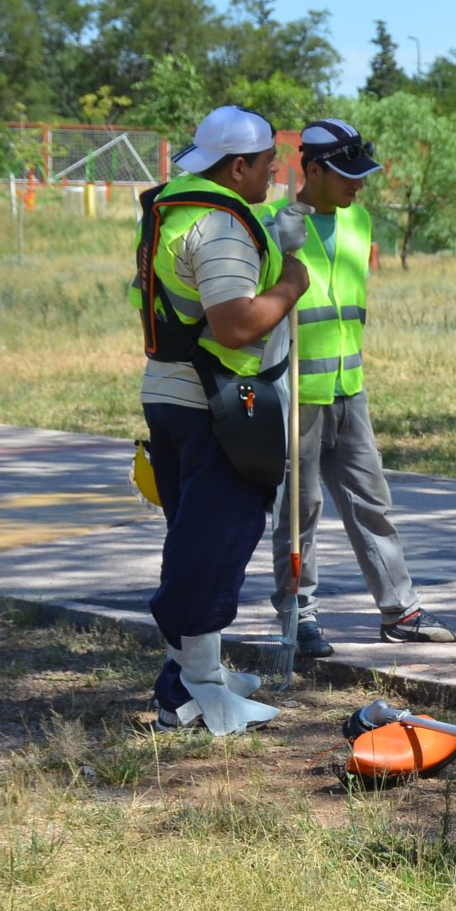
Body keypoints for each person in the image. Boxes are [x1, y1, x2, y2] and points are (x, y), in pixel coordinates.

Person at [258, 119, 456, 657]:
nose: (360, 185)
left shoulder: (360, 221)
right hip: (295, 392)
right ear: (311, 170)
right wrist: (280, 252)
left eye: (363, 174)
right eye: (348, 175)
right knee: (297, 511)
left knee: (370, 502)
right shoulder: (270, 224)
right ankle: (297, 615)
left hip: (349, 388)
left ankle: (401, 610)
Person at [133, 105, 308, 735]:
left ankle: (200, 673)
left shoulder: (176, 211)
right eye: (267, 163)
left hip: (174, 394)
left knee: (194, 538)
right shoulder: (222, 227)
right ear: (238, 166)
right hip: (218, 404)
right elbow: (236, 323)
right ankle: (192, 691)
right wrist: (291, 282)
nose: (274, 171)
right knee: (216, 542)